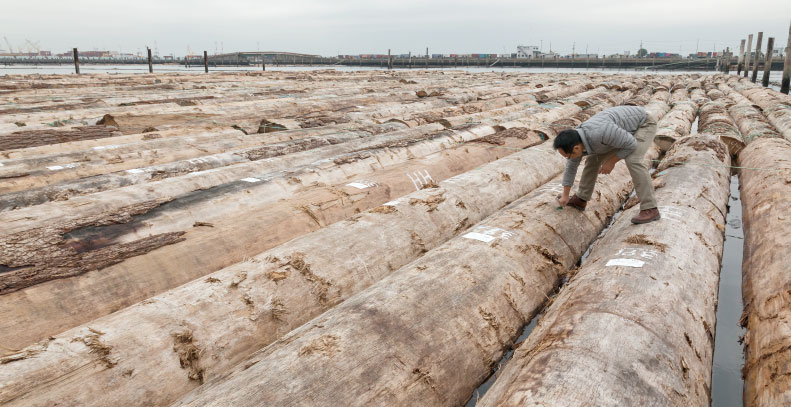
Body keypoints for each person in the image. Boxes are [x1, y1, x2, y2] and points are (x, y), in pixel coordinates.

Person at [553, 105, 660, 224]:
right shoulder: (575, 140)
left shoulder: (601, 132)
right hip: (621, 133)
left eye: (568, 156)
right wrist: (565, 195)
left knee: (633, 160)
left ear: (576, 148)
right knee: (593, 160)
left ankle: (650, 208)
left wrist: (612, 161)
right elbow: (571, 167)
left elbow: (631, 144)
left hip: (643, 124)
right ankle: (581, 199)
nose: (569, 159)